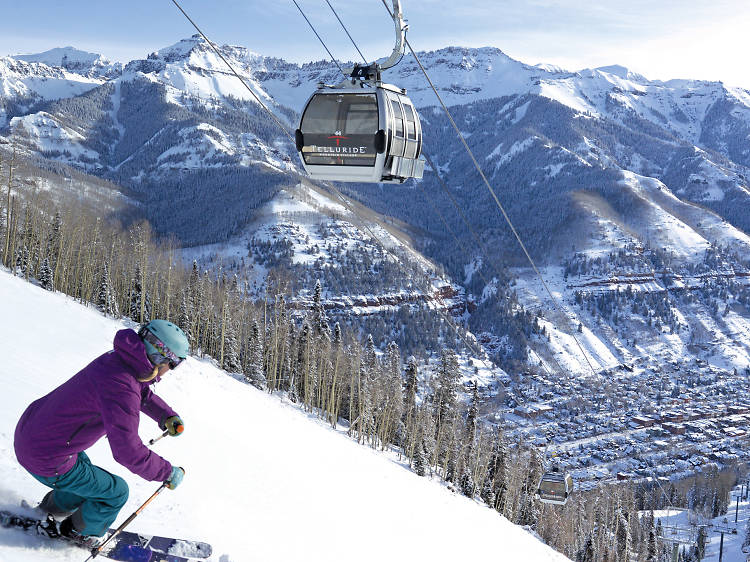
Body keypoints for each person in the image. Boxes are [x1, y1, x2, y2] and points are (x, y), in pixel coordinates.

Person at [13, 319, 190, 548]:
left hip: (34, 432)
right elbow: (127, 451)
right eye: (173, 364)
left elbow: (140, 392)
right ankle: (78, 533)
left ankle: (50, 510)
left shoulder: (118, 360)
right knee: (116, 492)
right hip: (46, 455)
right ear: (159, 357)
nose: (170, 371)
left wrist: (165, 416)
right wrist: (167, 472)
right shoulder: (122, 386)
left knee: (86, 474)